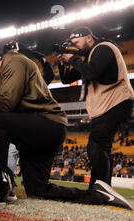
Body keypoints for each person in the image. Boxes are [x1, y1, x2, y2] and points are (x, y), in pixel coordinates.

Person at [0, 51, 132, 210]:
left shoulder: (12, 60)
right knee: (37, 191)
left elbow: (6, 105)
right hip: (37, 131)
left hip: (48, 124)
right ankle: (98, 195)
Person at [58, 27, 134, 188]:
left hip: (116, 103)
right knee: (100, 147)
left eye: (76, 42)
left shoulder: (103, 47)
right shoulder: (90, 55)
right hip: (107, 105)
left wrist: (73, 59)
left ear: (89, 38)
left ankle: (99, 189)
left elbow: (92, 72)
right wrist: (63, 64)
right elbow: (67, 80)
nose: (75, 46)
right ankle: (102, 188)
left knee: (96, 145)